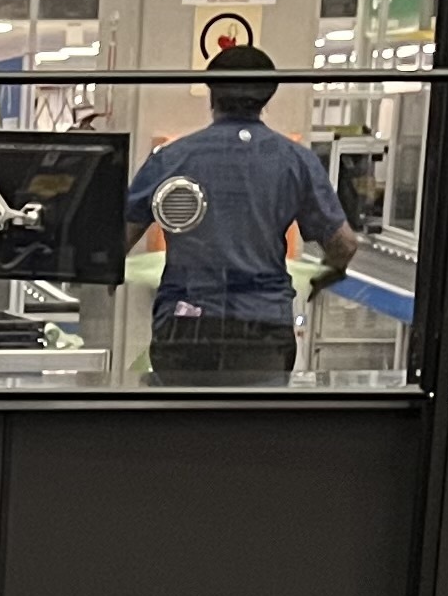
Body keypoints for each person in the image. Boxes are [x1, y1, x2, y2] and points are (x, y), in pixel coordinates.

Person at [124, 43, 362, 390]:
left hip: (186, 325)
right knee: (253, 422)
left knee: (180, 422)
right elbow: (344, 244)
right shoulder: (295, 161)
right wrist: (328, 273)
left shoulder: (171, 157)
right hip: (263, 328)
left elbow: (118, 239)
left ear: (212, 93)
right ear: (267, 97)